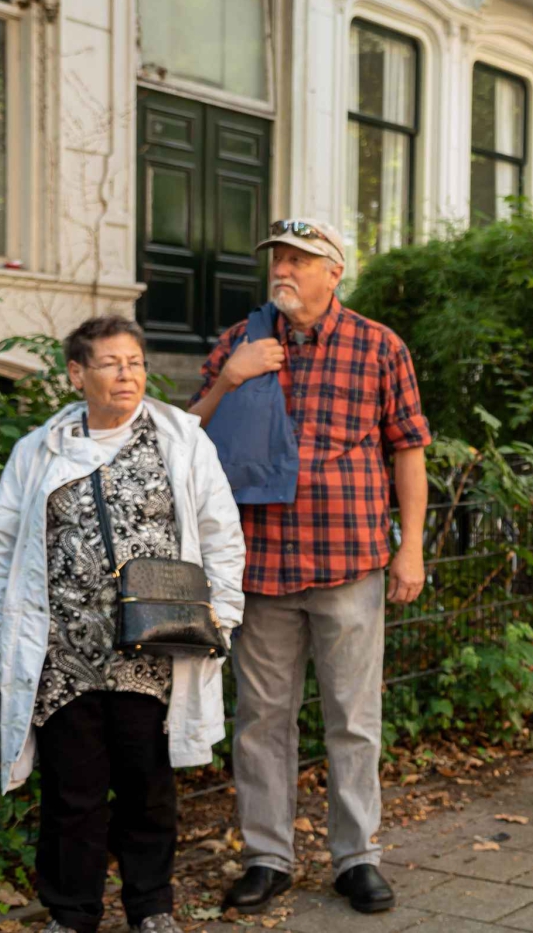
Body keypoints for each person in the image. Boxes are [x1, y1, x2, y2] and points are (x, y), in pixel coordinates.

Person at [188, 219, 432, 915]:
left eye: (299, 260)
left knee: (354, 718)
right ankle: (268, 854)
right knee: (263, 719)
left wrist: (410, 545)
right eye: (277, 260)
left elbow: (408, 447)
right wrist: (229, 379)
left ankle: (357, 856)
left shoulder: (378, 345)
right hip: (260, 565)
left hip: (348, 559)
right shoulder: (240, 342)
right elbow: (189, 439)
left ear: (335, 271)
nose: (283, 271)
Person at [0, 316, 246, 933]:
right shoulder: (39, 449)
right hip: (62, 655)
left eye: (136, 362)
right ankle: (71, 916)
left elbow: (220, 534)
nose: (128, 374)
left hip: (152, 651)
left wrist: (222, 617)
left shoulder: (181, 440)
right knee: (73, 795)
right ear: (77, 374)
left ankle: (152, 908)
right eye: (111, 363)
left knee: (147, 788)